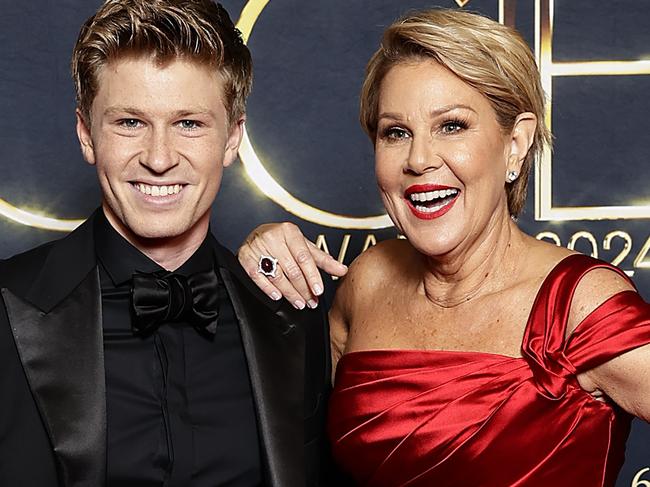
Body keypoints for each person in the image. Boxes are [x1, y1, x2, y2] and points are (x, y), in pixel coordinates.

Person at [238, 8, 650, 486]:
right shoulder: (369, 280)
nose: (418, 159)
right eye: (396, 133)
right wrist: (255, 252)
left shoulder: (580, 304)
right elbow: (284, 447)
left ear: (516, 142)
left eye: (451, 126)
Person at [0, 1, 333, 486]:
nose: (159, 158)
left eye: (189, 123)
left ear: (232, 137)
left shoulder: (290, 314)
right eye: (130, 123)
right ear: (86, 134)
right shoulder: (8, 308)